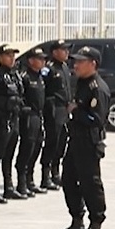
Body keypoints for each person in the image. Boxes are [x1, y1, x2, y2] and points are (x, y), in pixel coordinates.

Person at [55, 47, 109, 229]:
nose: (75, 65)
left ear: (93, 64)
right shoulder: (81, 83)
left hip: (89, 141)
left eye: (80, 61)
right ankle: (77, 220)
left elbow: (96, 119)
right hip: (75, 139)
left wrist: (76, 111)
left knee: (90, 184)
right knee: (68, 180)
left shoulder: (97, 88)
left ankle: (95, 228)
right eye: (75, 61)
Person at [0, 44, 24, 203]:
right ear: (1, 57)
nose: (12, 58)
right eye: (8, 55)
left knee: (9, 154)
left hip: (14, 117)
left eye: (13, 55)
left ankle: (8, 187)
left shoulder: (15, 75)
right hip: (1, 120)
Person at [40, 40, 73, 190]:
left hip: (65, 109)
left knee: (62, 142)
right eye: (63, 50)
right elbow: (42, 90)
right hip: (53, 109)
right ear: (54, 52)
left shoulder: (65, 67)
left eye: (67, 50)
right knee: (52, 141)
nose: (66, 52)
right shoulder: (49, 69)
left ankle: (55, 172)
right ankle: (45, 175)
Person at [16, 48, 48, 197]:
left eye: (43, 59)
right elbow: (20, 97)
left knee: (37, 146)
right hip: (28, 117)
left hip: (38, 115)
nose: (43, 61)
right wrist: (24, 109)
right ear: (30, 61)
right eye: (39, 59)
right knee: (27, 148)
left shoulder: (40, 76)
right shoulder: (25, 77)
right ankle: (21, 182)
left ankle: (30, 180)